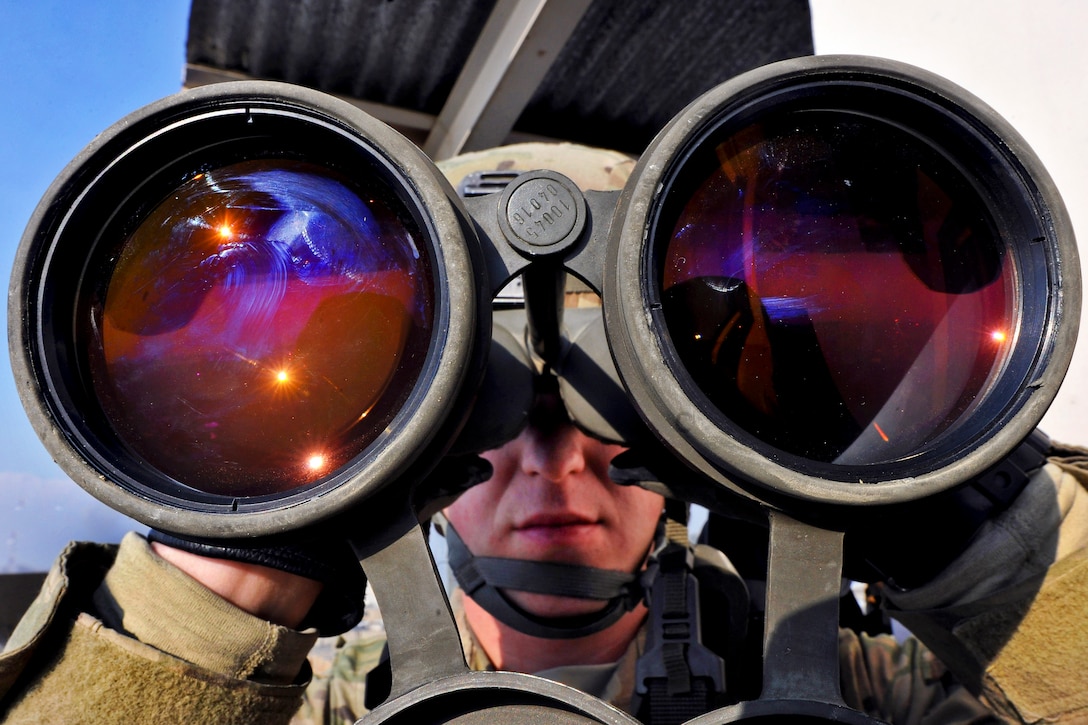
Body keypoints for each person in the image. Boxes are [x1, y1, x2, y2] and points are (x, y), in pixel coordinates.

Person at [2, 145, 1088, 724]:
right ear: (422, 460)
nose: (558, 463)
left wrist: (977, 526)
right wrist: (238, 560)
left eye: (619, 423)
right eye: (496, 419)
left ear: (692, 449)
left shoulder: (870, 682)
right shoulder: (313, 700)